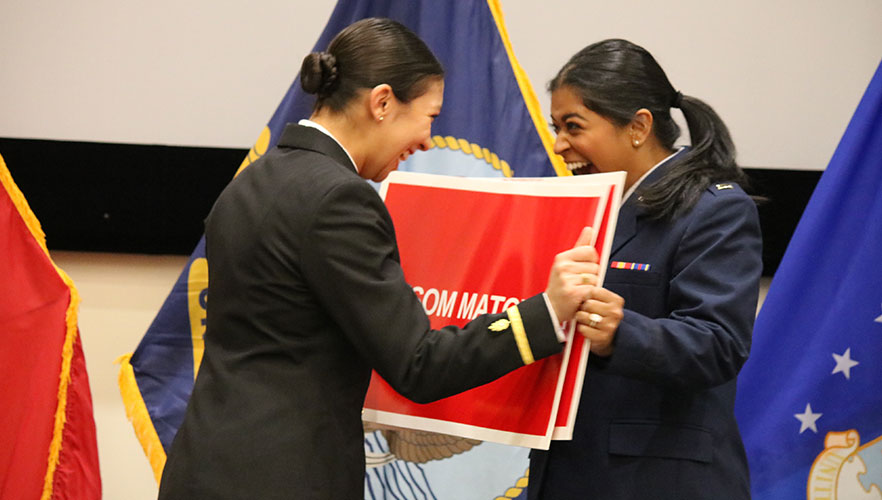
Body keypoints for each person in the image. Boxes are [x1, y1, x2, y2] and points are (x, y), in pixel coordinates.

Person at [158, 18, 599, 500]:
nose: (429, 140)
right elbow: (419, 364)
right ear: (383, 102)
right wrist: (547, 311)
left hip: (203, 466)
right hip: (283, 478)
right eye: (430, 117)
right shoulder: (339, 199)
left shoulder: (251, 180)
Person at [528, 39, 763, 499]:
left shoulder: (715, 209)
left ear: (638, 126)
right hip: (570, 473)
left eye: (573, 127)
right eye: (556, 127)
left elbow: (720, 345)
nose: (559, 145)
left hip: (658, 480)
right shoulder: (585, 210)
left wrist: (621, 331)